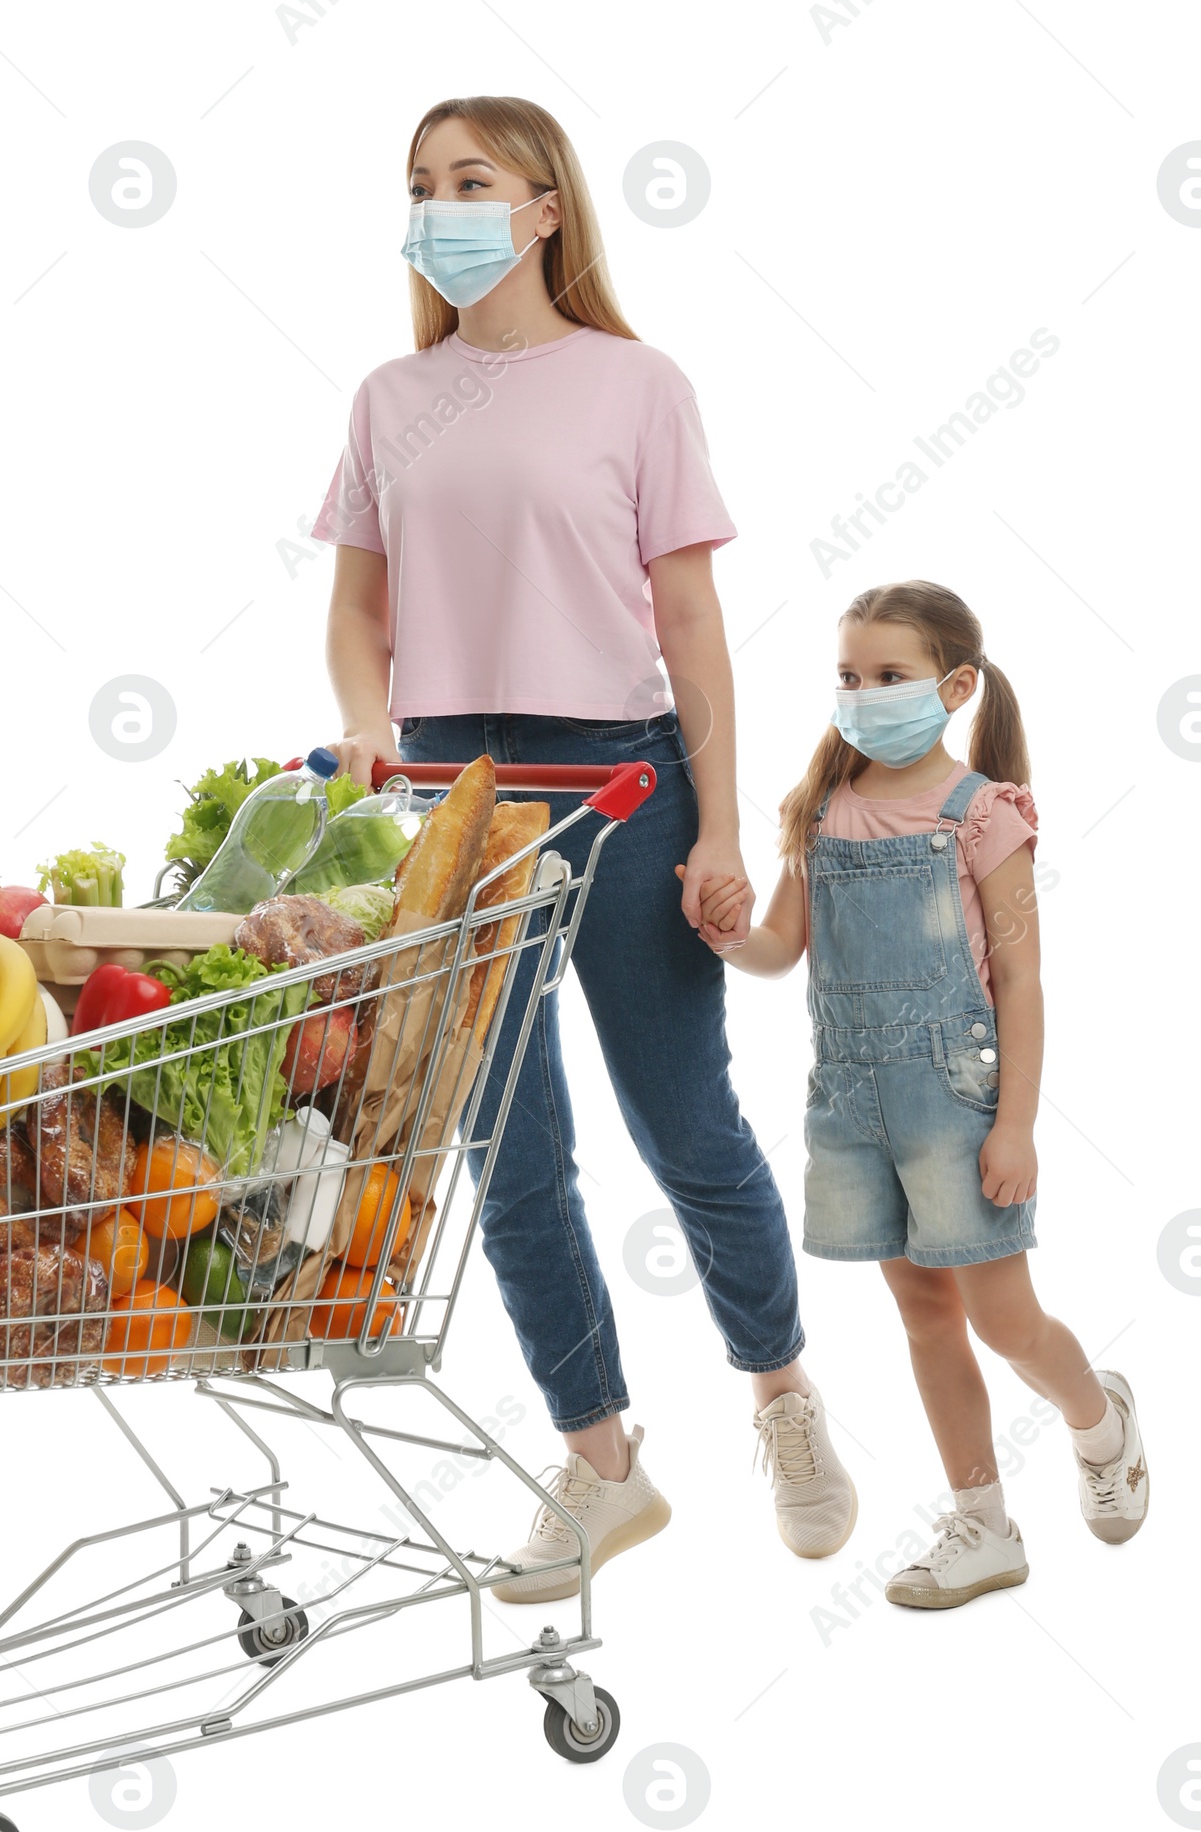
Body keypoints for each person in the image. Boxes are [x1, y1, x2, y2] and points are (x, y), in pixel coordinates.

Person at [311, 93, 857, 1601]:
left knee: (685, 1124)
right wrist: (369, 723)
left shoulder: (637, 385)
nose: (440, 206)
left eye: (471, 179)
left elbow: (689, 624)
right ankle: (602, 1459)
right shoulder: (387, 398)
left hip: (620, 786)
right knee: (509, 1148)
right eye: (421, 184)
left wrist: (723, 825)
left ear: (547, 206)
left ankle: (782, 1391)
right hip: (454, 802)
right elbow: (360, 615)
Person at [703, 580, 1148, 1606]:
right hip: (850, 1102)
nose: (861, 694)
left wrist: (1018, 1124)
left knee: (1002, 1316)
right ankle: (980, 1523)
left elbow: (1021, 980)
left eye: (888, 676)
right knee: (923, 1312)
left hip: (956, 1099)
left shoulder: (980, 815)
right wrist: (730, 932)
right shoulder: (823, 810)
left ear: (951, 686)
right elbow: (782, 946)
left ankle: (1099, 1420)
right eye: (848, 676)